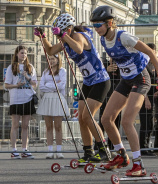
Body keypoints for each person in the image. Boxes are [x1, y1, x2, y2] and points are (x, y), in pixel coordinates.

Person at [91, 5, 158, 177]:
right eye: (94, 26)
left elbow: (150, 52)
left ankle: (139, 165)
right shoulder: (103, 40)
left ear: (109, 23)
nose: (96, 29)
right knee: (106, 119)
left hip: (141, 78)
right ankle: (121, 156)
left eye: (98, 25)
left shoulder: (123, 36)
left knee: (127, 121)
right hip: (126, 79)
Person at [36, 12, 111, 163]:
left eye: (59, 32)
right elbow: (50, 51)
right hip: (89, 82)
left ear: (68, 29)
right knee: (81, 119)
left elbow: (79, 49)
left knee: (88, 116)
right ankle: (88, 151)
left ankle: (103, 149)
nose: (58, 37)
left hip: (100, 81)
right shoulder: (66, 40)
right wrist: (42, 37)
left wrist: (64, 36)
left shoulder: (78, 36)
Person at [4, 44, 38, 158]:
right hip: (16, 98)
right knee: (15, 125)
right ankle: (14, 149)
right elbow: (6, 85)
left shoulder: (30, 67)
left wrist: (27, 77)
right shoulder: (11, 67)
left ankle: (25, 149)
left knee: (25, 125)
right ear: (17, 54)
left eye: (25, 53)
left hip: (27, 97)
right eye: (22, 53)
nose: (24, 55)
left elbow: (35, 84)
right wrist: (16, 85)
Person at [36, 53, 69, 159]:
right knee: (49, 126)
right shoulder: (45, 72)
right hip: (47, 99)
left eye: (53, 59)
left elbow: (62, 85)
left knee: (58, 126)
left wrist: (48, 85)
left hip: (58, 99)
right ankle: (50, 150)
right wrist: (54, 85)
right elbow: (41, 87)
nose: (51, 61)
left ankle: (59, 150)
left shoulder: (63, 71)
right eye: (49, 59)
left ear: (58, 60)